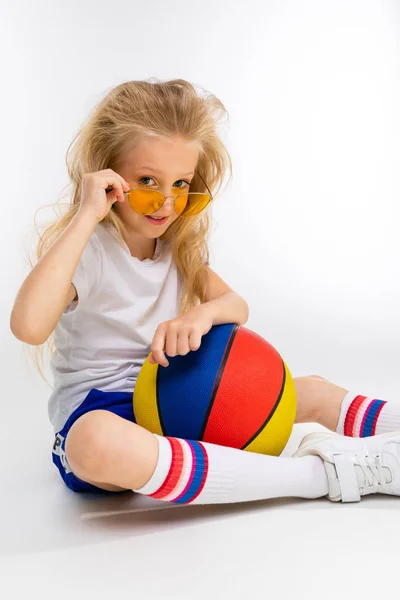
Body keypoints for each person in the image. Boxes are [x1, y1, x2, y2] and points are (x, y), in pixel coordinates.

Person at [10, 78, 400, 506]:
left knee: (307, 389)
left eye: (181, 185)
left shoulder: (177, 249)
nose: (166, 203)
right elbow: (29, 326)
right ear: (108, 175)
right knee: (96, 445)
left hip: (174, 395)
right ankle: (320, 475)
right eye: (147, 181)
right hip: (106, 413)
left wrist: (199, 315)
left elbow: (237, 304)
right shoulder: (87, 248)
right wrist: (86, 214)